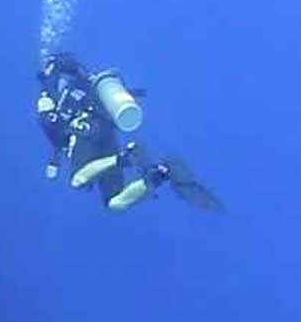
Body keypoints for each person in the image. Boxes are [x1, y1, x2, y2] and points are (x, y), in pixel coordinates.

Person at [35, 53, 222, 212]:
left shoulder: (54, 89)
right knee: (113, 202)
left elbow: (48, 122)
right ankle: (160, 173)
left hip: (85, 129)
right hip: (106, 129)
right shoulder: (85, 83)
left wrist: (45, 99)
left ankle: (124, 158)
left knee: (77, 180)